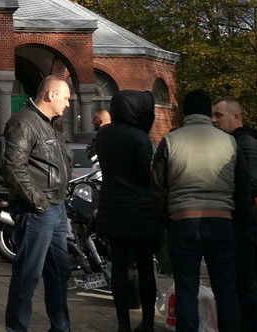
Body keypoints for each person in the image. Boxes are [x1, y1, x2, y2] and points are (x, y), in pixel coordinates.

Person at [151, 89, 240, 332]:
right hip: (221, 221)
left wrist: (168, 221)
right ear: (208, 113)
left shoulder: (170, 141)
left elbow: (158, 189)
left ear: (184, 111)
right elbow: (241, 186)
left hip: (183, 221)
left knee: (186, 288)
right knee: (225, 288)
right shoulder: (229, 142)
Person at [2, 76, 75, 332]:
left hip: (55, 209)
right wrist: (40, 203)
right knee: (27, 275)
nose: (68, 103)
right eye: (65, 98)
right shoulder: (23, 122)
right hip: (37, 211)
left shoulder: (47, 123)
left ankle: (61, 328)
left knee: (59, 273)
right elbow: (13, 167)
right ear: (51, 95)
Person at [94, 90, 158, 332]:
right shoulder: (139, 138)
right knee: (144, 268)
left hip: (112, 207)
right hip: (140, 210)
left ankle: (123, 323)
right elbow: (146, 175)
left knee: (118, 268)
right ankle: (148, 322)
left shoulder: (105, 134)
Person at [211, 96, 257, 332]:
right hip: (232, 222)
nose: (213, 120)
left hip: (240, 224)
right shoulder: (231, 142)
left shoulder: (245, 144)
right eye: (212, 115)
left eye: (218, 115)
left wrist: (224, 197)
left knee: (244, 284)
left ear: (235, 117)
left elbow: (253, 184)